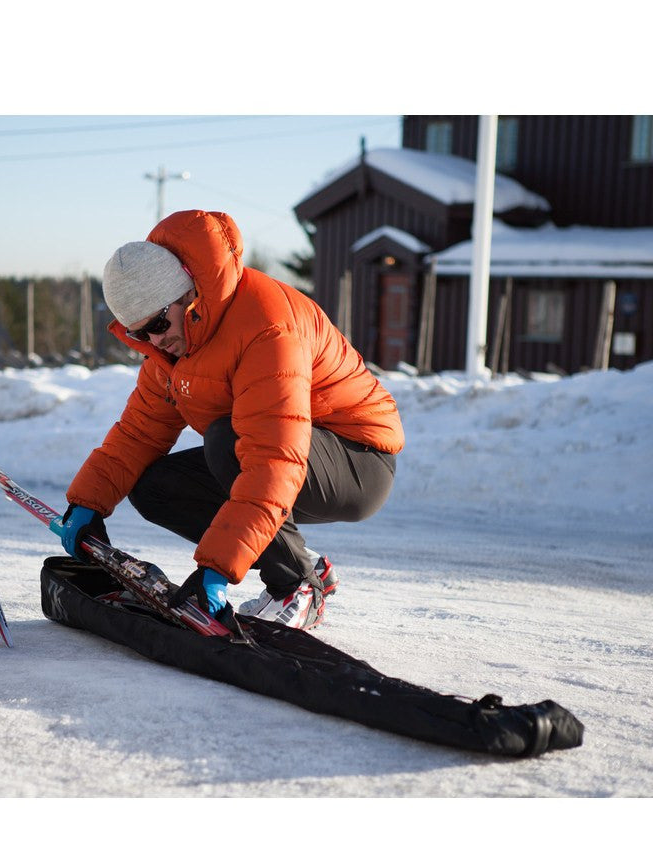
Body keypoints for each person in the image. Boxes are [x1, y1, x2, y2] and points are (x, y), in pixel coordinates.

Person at [57, 209, 404, 630]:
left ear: (188, 293)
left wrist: (217, 568)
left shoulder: (266, 326)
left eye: (158, 324)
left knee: (226, 440)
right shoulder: (173, 349)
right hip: (279, 451)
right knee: (154, 487)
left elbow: (273, 458)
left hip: (357, 459)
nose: (154, 341)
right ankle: (303, 562)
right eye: (139, 334)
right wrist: (87, 504)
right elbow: (138, 432)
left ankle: (297, 586)